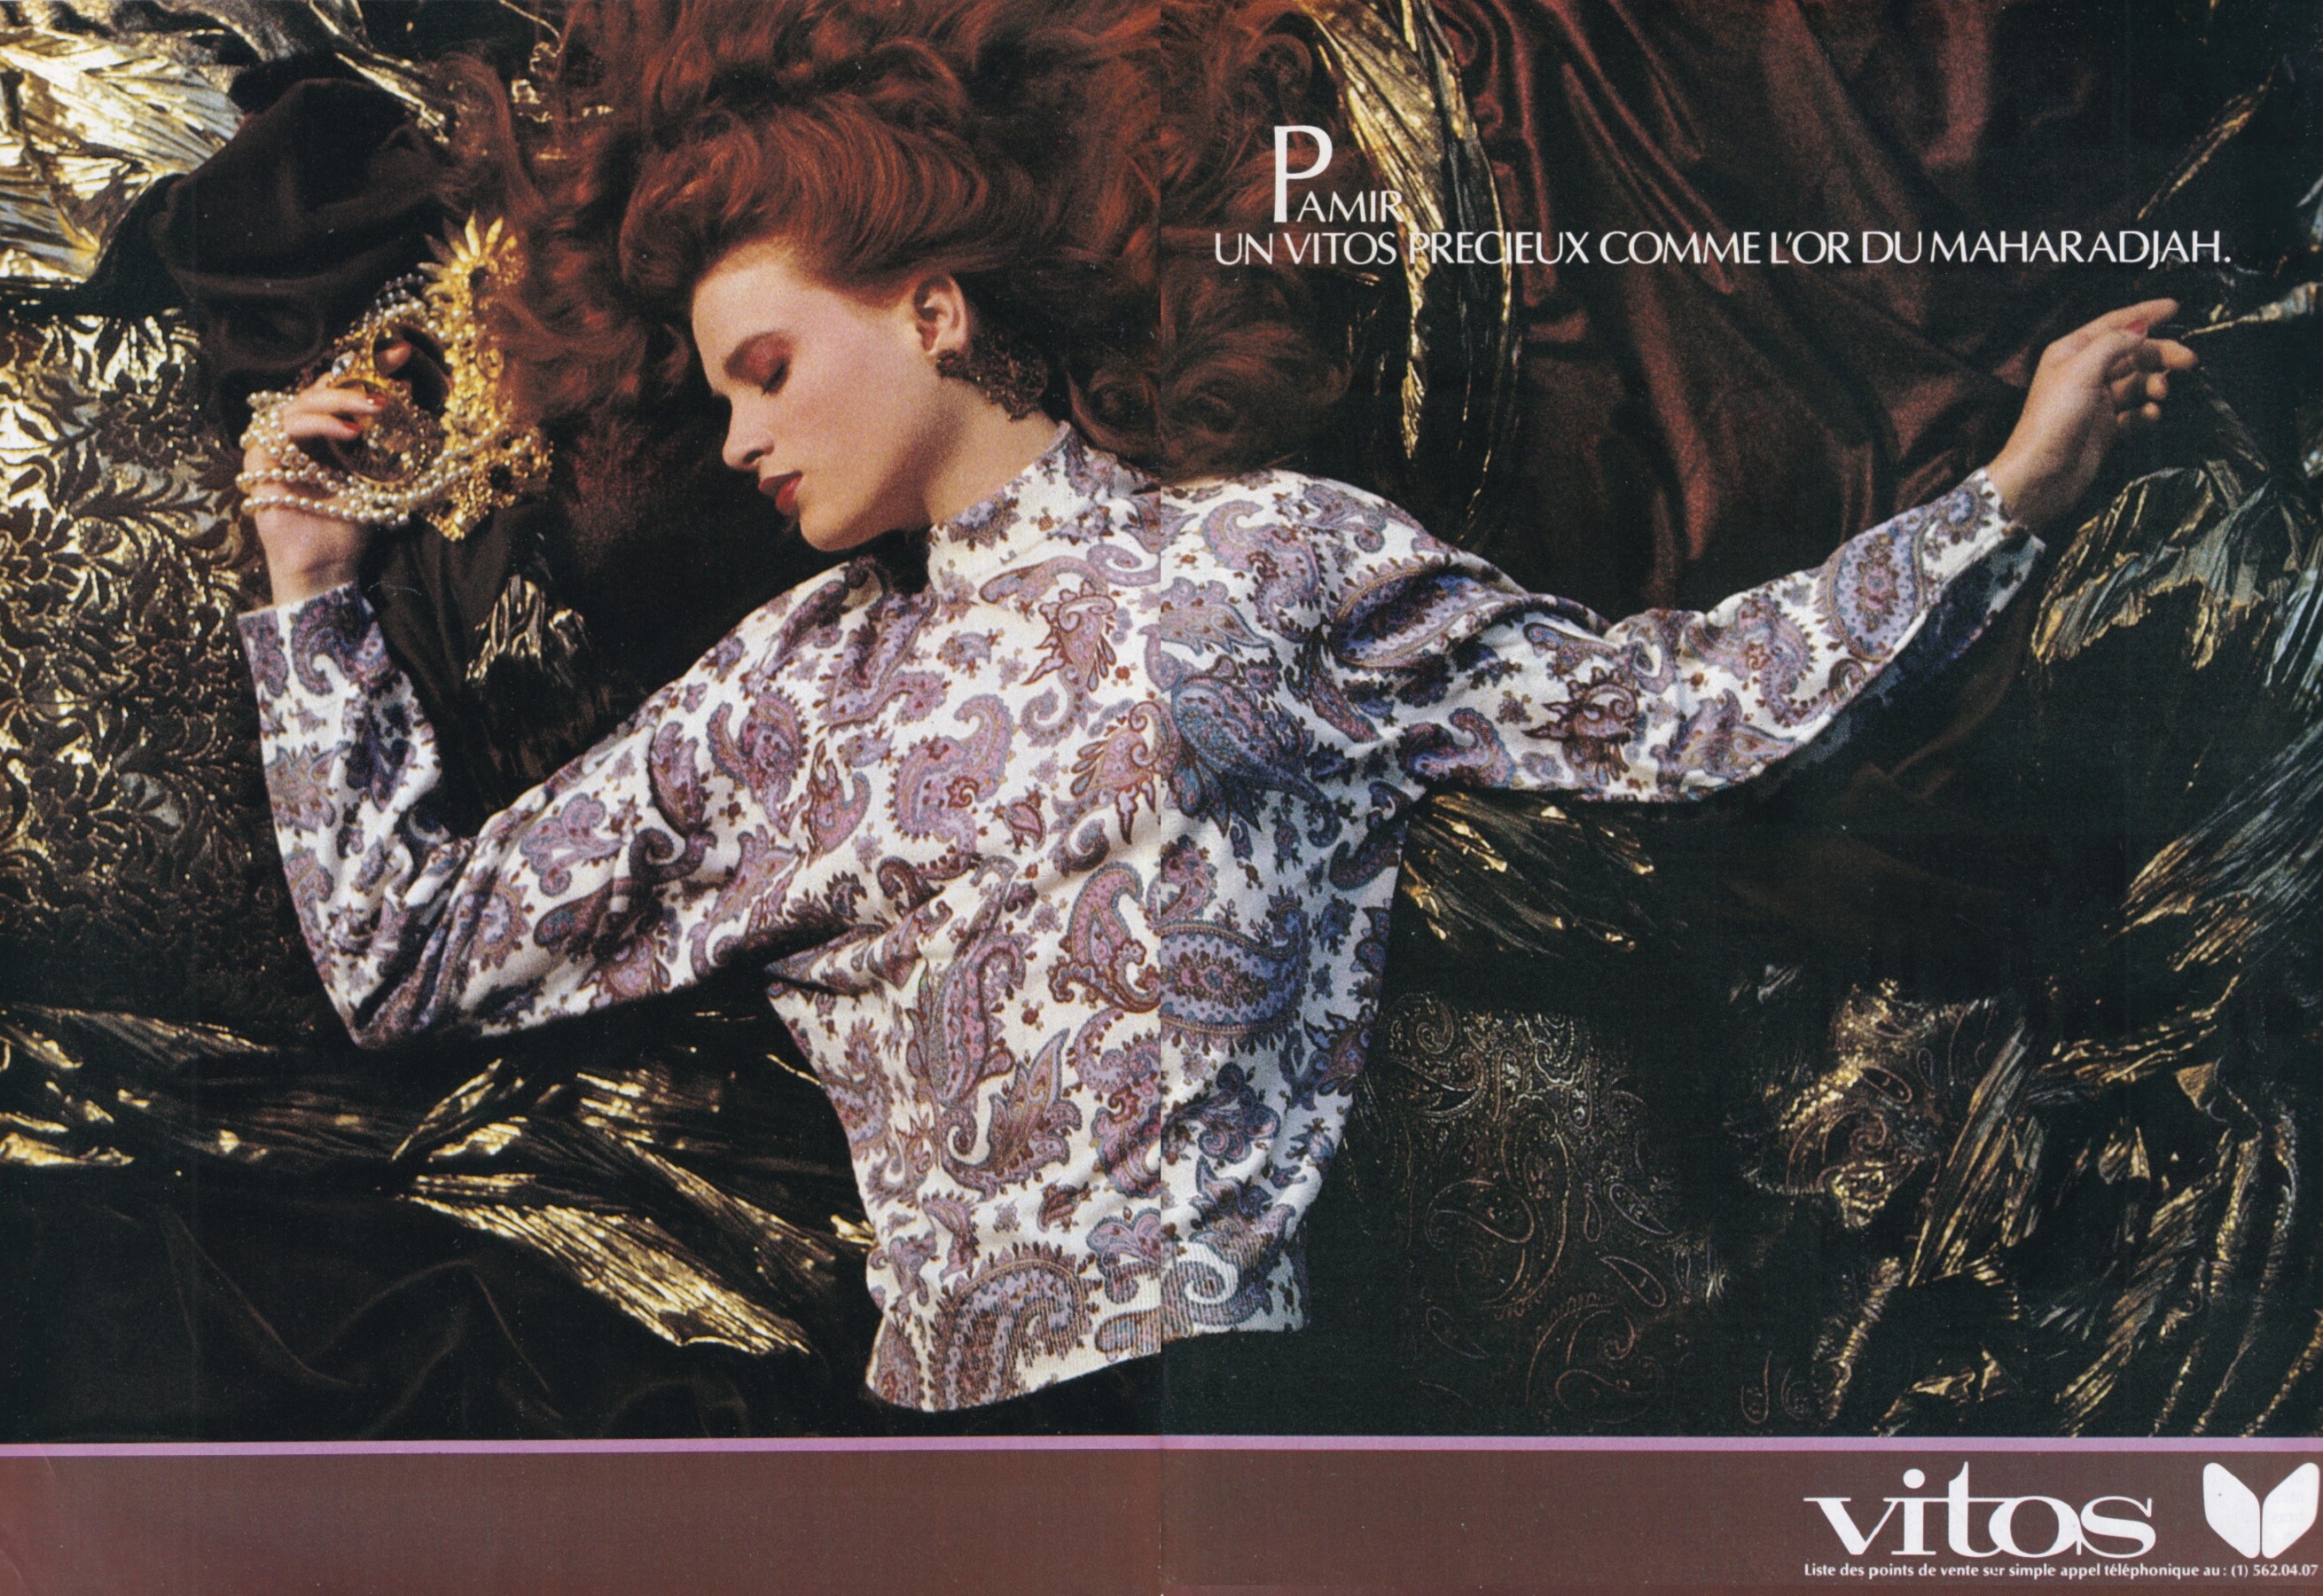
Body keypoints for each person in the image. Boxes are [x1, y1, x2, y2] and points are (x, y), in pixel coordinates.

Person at [229, 0, 2194, 1415]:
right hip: (935, 1460)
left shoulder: (1268, 561)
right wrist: (312, 593)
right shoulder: (782, 696)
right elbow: (410, 962)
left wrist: (2010, 492)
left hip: (1250, 1404)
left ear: (932, 309)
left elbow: (1676, 713)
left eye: (765, 368)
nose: (741, 438)